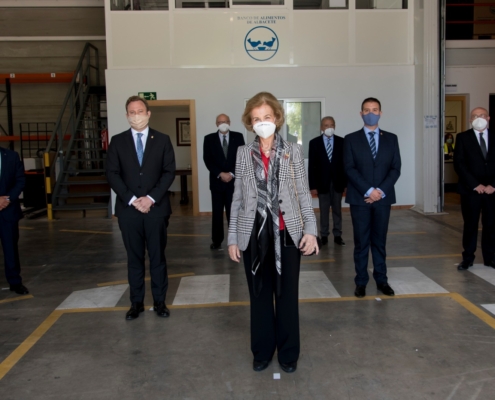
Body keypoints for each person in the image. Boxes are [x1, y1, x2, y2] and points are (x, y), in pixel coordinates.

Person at [228, 92, 318, 374]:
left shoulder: (293, 150)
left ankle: (289, 353)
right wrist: (232, 237)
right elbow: (238, 198)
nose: (262, 122)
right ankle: (262, 351)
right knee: (260, 295)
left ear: (277, 118)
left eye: (267, 117)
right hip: (253, 235)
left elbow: (303, 194)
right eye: (256, 119)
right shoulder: (243, 153)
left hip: (287, 234)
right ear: (249, 123)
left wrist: (311, 231)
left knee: (287, 296)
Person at [106, 95, 176, 320]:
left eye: (140, 111)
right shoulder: (117, 141)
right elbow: (112, 174)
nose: (136, 116)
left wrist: (151, 198)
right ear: (127, 115)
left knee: (157, 257)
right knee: (134, 258)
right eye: (132, 112)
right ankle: (136, 303)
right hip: (129, 211)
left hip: (156, 210)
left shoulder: (163, 140)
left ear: (148, 113)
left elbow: (168, 172)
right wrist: (132, 199)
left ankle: (159, 302)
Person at [343, 97, 401, 298]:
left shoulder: (391, 139)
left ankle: (382, 280)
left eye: (375, 109)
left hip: (383, 200)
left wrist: (380, 192)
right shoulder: (350, 139)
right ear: (361, 114)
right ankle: (361, 282)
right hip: (360, 200)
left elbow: (395, 169)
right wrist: (369, 191)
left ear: (381, 113)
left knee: (379, 242)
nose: (371, 112)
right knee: (361, 243)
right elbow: (349, 168)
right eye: (367, 110)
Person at [454, 107, 495, 270]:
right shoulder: (463, 138)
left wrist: (493, 185)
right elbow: (459, 164)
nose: (479, 118)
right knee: (470, 225)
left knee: (491, 225)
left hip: (492, 192)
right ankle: (468, 258)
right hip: (470, 191)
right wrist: (475, 184)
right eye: (475, 116)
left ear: (488, 118)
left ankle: (490, 258)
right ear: (470, 120)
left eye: (482, 115)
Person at [203, 114, 245, 250]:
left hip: (233, 182)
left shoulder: (238, 137)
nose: (223, 124)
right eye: (220, 122)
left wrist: (231, 173)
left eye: (226, 121)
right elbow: (207, 160)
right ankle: (217, 240)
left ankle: (236, 240)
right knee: (217, 213)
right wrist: (220, 174)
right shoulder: (209, 139)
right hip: (217, 182)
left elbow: (242, 158)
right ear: (216, 124)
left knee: (234, 212)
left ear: (230, 122)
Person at [308, 116, 347, 246]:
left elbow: (346, 164)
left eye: (331, 125)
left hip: (337, 182)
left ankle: (337, 235)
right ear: (321, 127)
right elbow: (312, 166)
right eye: (326, 125)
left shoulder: (342, 142)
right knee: (323, 210)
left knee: (337, 209)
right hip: (322, 183)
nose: (328, 127)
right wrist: (312, 186)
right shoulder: (314, 143)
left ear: (334, 126)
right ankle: (324, 235)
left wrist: (346, 184)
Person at [0, 147, 28, 295]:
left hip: (8, 210)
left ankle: (15, 282)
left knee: (10, 248)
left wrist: (7, 199)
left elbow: (20, 180)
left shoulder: (11, 156)